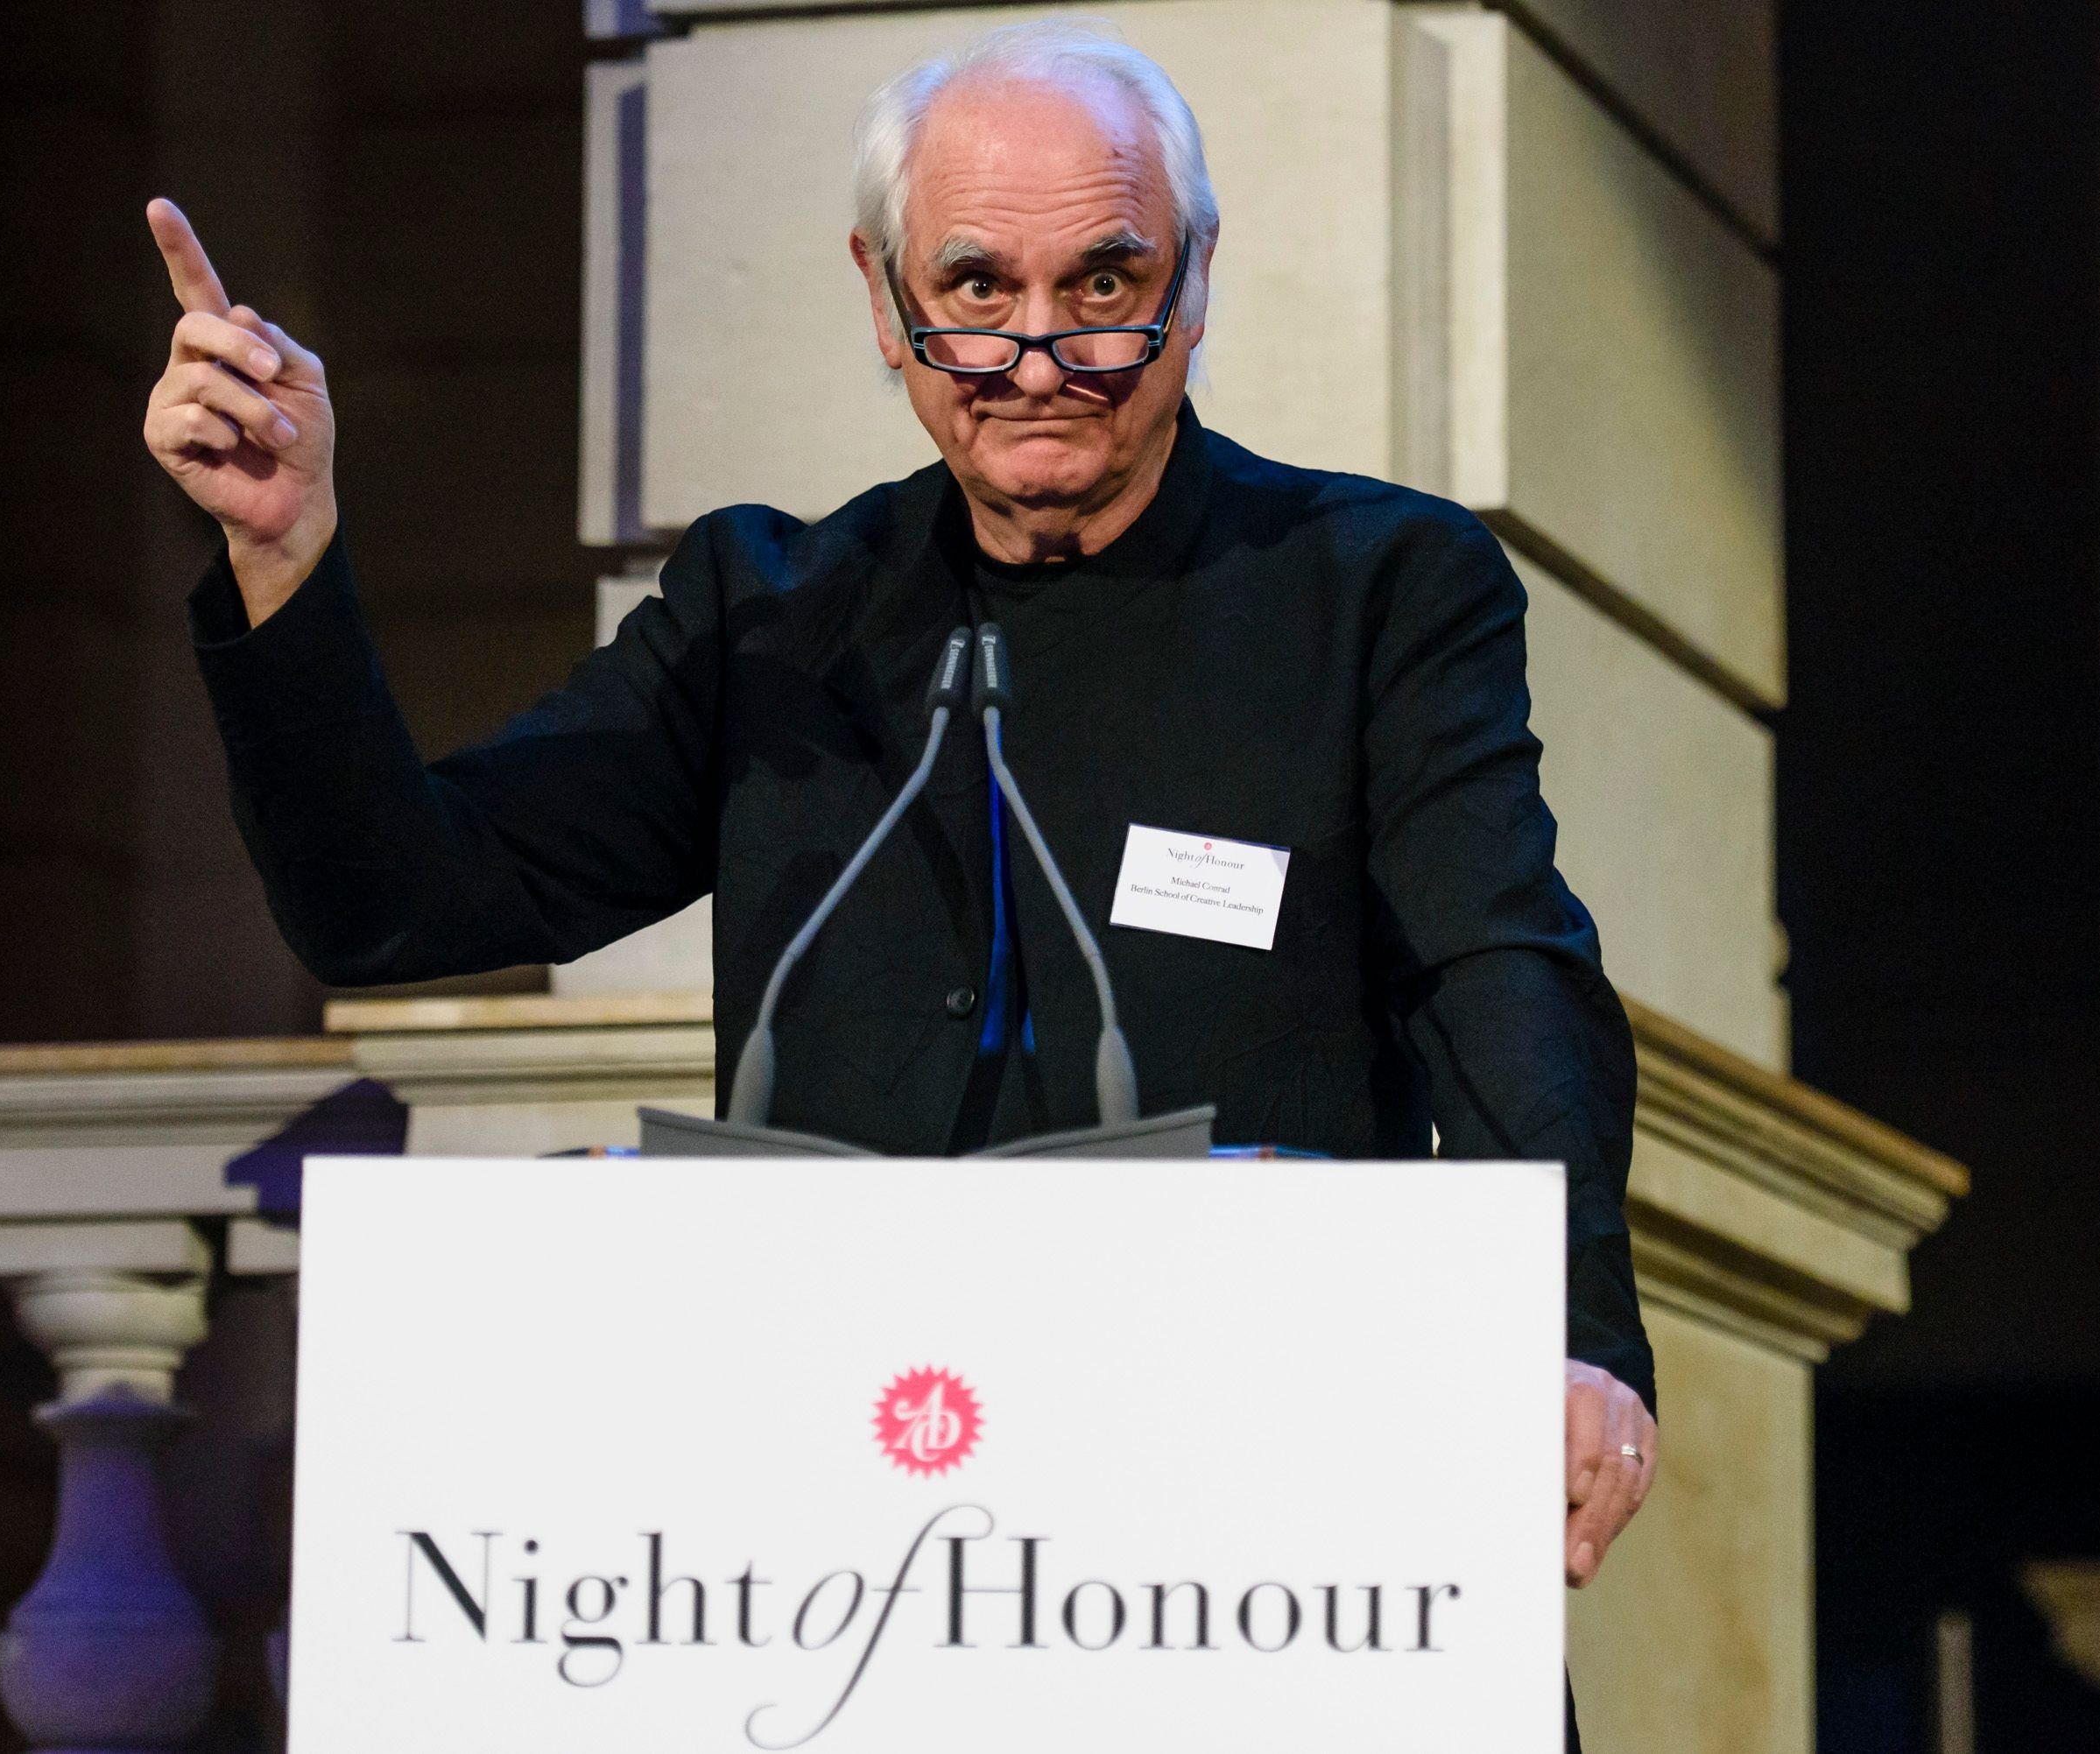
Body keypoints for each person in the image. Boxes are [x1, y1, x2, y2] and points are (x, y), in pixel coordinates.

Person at [146, 14, 1656, 1681]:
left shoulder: (1375, 588)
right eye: (975, 290)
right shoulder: (774, 613)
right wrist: (285, 555)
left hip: (1249, 1540)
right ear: (883, 298)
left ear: (1198, 277)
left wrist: (1563, 1331)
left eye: (1103, 285)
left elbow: (1498, 969)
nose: (1035, 354)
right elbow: (398, 902)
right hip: (840, 1562)